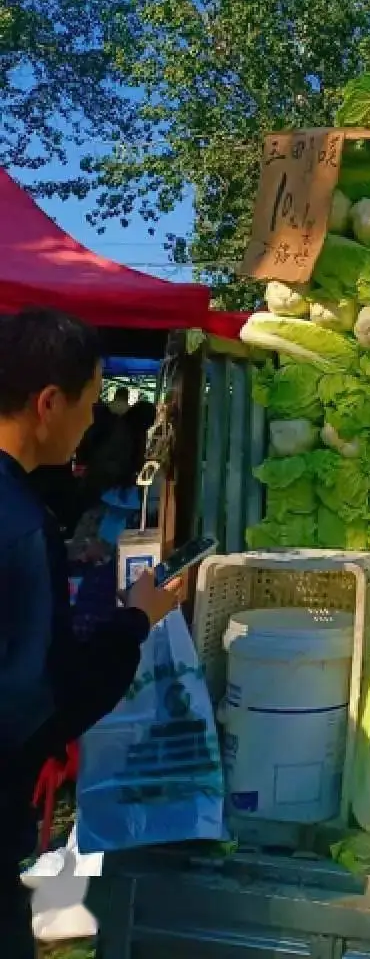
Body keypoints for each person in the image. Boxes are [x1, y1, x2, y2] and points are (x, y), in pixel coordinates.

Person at [0, 310, 178, 957]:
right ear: (48, 404)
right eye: (91, 402)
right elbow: (45, 702)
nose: (94, 422)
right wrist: (135, 620)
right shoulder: (22, 527)